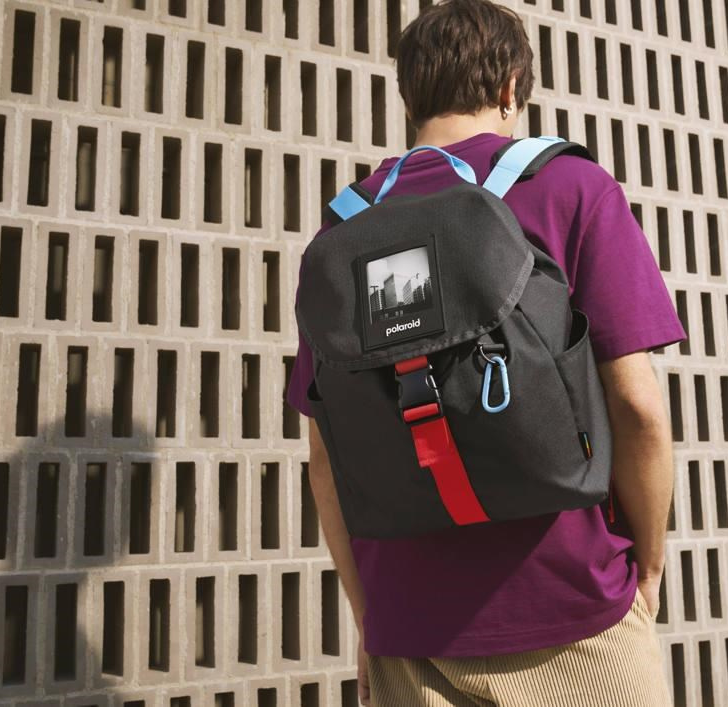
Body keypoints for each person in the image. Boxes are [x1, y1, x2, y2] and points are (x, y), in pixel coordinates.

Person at [285, 1, 686, 704]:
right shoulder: (567, 188)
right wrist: (647, 569)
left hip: (410, 634)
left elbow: (325, 458)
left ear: (409, 96)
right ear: (509, 88)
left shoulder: (343, 229)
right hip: (574, 611)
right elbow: (636, 405)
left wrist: (370, 616)